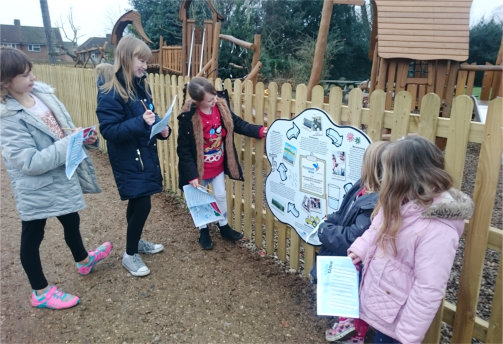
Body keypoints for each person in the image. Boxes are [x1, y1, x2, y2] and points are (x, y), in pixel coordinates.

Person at [0, 47, 112, 310]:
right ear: (6, 82)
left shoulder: (42, 96)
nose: (32, 78)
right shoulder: (7, 118)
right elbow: (29, 162)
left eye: (31, 72)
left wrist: (82, 136)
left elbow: (62, 129)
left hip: (61, 176)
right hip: (35, 187)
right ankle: (40, 292)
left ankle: (84, 261)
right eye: (24, 75)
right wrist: (69, 143)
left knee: (71, 218)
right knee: (33, 235)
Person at [348, 136, 474, 344]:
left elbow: (428, 289)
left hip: (397, 323)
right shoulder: (400, 199)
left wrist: (407, 337)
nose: (383, 178)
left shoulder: (439, 228)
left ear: (402, 176)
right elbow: (377, 226)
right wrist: (360, 248)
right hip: (381, 299)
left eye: (387, 171)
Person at [96, 36, 170, 277]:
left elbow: (149, 115)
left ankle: (135, 240)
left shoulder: (140, 85)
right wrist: (140, 122)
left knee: (138, 201)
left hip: (144, 154)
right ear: (126, 57)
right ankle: (129, 254)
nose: (145, 66)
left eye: (146, 62)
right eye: (141, 60)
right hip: (129, 158)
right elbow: (109, 130)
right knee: (142, 202)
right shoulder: (111, 90)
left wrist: (161, 129)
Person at [312, 141, 389, 343]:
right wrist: (333, 219)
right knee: (346, 294)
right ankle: (347, 323)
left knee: (353, 296)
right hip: (348, 255)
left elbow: (353, 237)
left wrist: (325, 231)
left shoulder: (375, 202)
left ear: (371, 167)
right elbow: (345, 211)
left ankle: (355, 332)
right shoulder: (362, 187)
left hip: (356, 260)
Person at [177, 77, 267, 250]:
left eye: (214, 97)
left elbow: (237, 124)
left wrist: (259, 130)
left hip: (217, 165)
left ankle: (223, 226)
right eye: (210, 100)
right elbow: (184, 150)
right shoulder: (188, 117)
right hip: (199, 169)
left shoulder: (220, 107)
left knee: (220, 196)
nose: (214, 101)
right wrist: (191, 175)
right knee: (201, 201)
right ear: (197, 102)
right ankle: (203, 231)